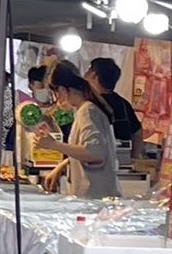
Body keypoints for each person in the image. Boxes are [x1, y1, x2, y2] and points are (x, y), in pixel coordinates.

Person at [39, 62, 120, 198]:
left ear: (62, 91)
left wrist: (54, 145)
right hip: (93, 198)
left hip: (96, 200)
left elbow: (95, 153)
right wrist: (63, 165)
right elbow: (88, 149)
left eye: (55, 95)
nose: (56, 101)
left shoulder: (88, 111)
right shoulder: (84, 110)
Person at [86, 57, 144, 158]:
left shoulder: (89, 105)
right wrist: (132, 158)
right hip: (121, 163)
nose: (85, 75)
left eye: (88, 70)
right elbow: (137, 133)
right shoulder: (123, 104)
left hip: (97, 164)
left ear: (94, 75)